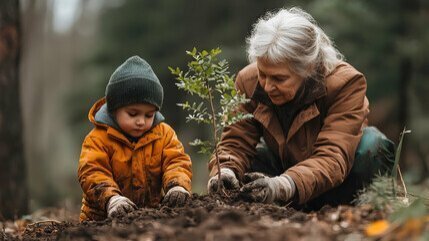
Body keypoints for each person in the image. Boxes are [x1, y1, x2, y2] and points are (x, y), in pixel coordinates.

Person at [207, 7, 394, 209]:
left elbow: (333, 155)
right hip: (279, 170)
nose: (268, 86)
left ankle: (361, 207)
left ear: (308, 68)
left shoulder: (346, 84)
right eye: (263, 73)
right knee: (250, 160)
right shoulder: (248, 81)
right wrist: (225, 171)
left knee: (374, 147)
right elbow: (237, 140)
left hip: (337, 182)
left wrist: (284, 186)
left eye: (279, 78)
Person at [78, 56, 192, 221]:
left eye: (149, 115)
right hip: (100, 220)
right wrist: (111, 199)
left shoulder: (164, 134)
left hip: (150, 217)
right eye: (133, 114)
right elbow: (92, 172)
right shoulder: (97, 139)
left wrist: (177, 186)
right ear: (114, 109)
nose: (141, 121)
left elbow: (176, 161)